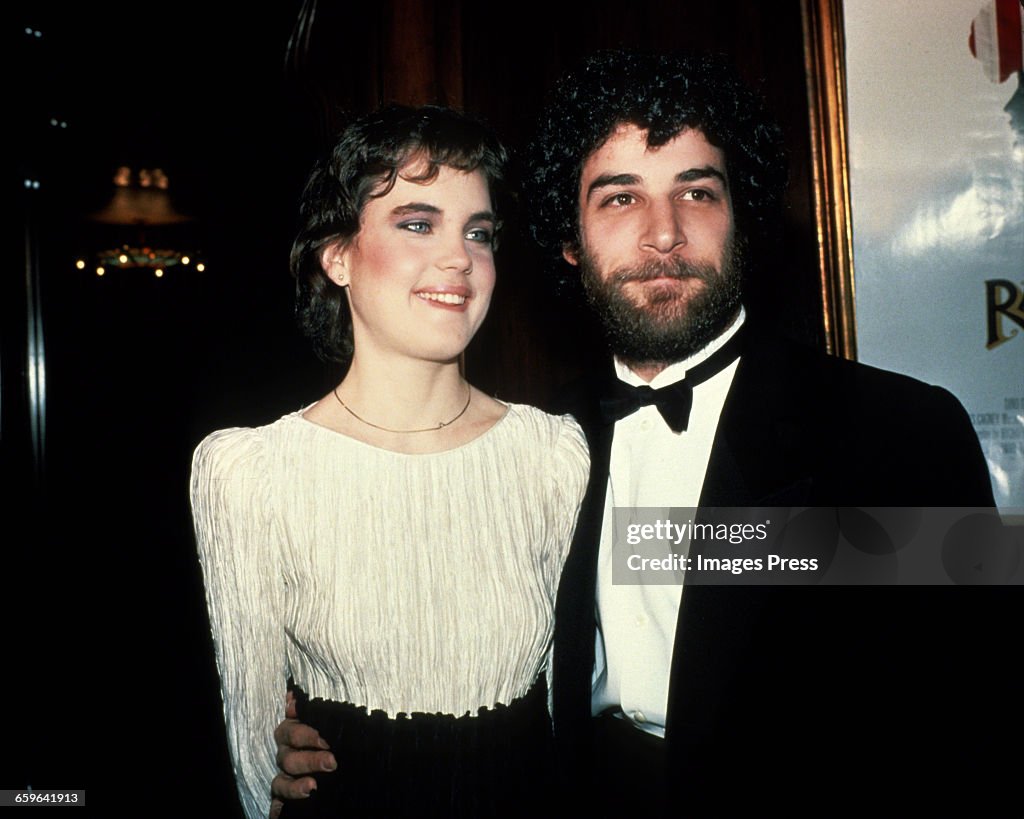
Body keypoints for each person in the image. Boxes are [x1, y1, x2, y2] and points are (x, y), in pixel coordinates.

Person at [272, 51, 1019, 815]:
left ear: (744, 221)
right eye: (620, 198)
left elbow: (982, 721)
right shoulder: (539, 444)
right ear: (570, 241)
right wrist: (323, 728)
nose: (664, 234)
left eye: (697, 191)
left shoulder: (901, 432)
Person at [190, 103, 589, 819]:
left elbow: (578, 719)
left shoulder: (552, 455)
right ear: (337, 255)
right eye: (416, 222)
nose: (458, 257)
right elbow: (255, 771)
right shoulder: (251, 473)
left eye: (479, 232)